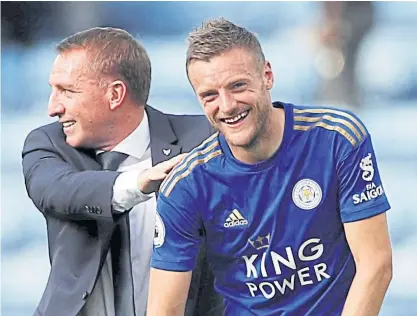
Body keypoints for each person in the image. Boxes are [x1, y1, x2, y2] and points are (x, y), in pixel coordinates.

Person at [148, 18, 393, 316]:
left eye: (238, 86)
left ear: (267, 76)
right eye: (209, 95)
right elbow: (164, 311)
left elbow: (375, 265)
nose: (226, 106)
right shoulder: (187, 185)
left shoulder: (337, 139)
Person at [21, 27, 223, 316]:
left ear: (115, 94)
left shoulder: (203, 140)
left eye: (66, 91)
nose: (52, 107)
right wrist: (136, 183)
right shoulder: (48, 143)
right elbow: (57, 191)